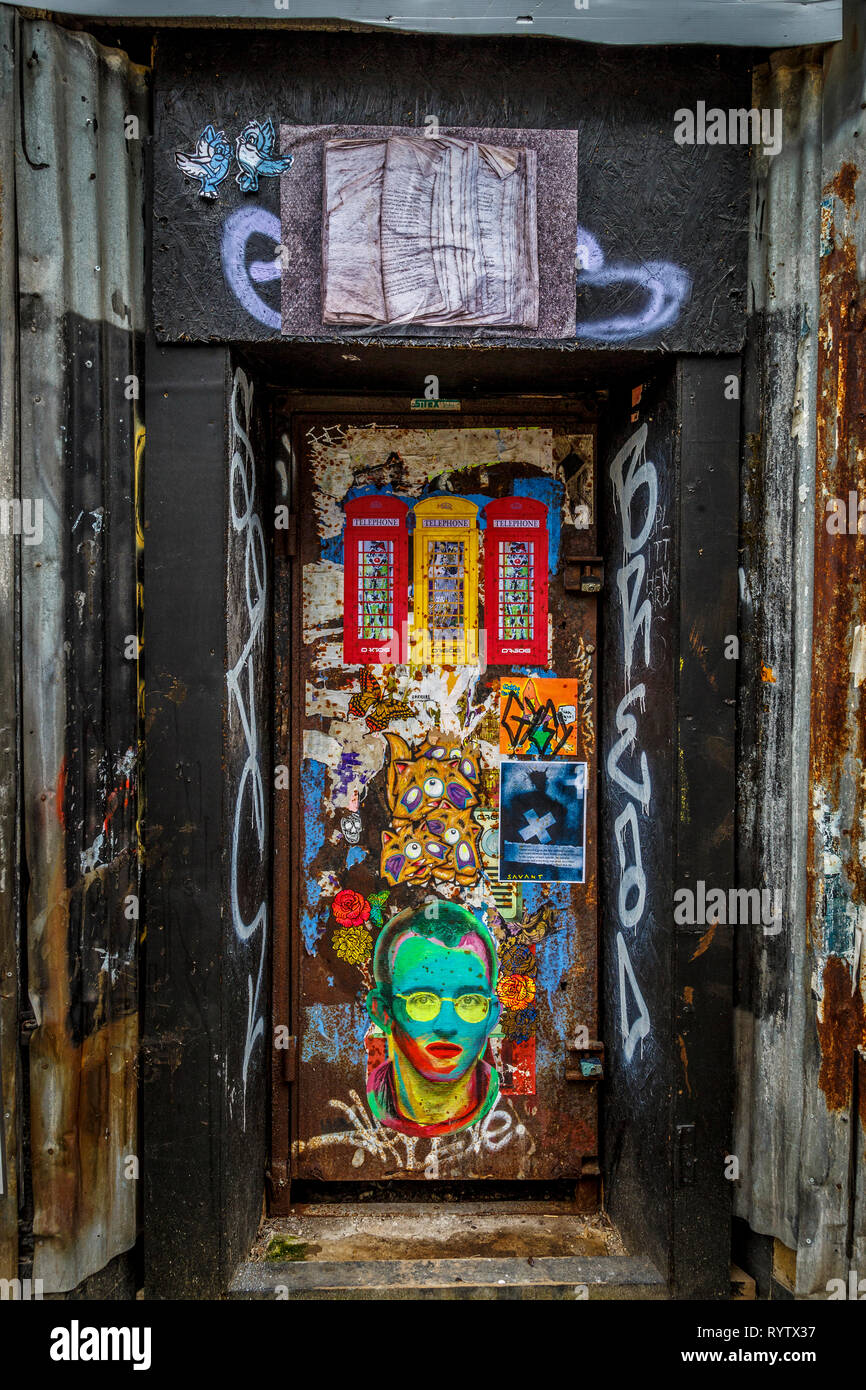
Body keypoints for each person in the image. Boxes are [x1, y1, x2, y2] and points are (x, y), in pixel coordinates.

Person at [365, 901, 501, 1137]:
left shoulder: (508, 1111)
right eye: (422, 1000)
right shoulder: (359, 1105)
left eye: (470, 1000)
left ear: (492, 1015)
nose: (446, 1026)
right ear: (383, 1012)